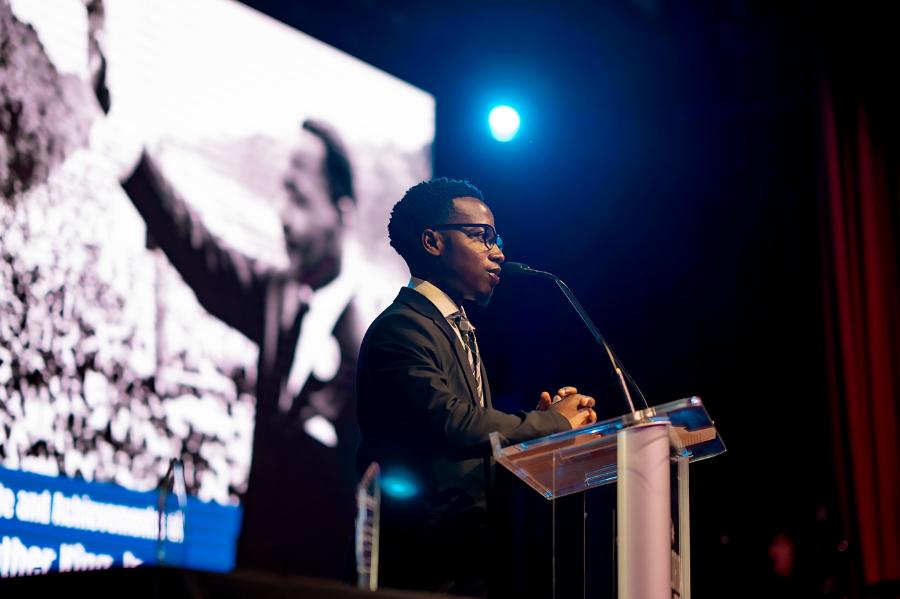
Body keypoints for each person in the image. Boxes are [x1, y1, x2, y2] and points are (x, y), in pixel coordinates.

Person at [121, 120, 366, 575]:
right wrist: (134, 163)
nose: (282, 215)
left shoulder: (377, 347)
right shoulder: (279, 296)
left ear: (343, 213)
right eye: (281, 194)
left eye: (299, 198)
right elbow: (203, 256)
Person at [356, 177, 598, 595]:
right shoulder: (400, 329)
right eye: (481, 237)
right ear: (433, 242)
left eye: (495, 238)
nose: (498, 252)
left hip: (471, 560)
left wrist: (539, 429)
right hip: (424, 567)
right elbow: (452, 422)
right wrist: (550, 423)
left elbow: (474, 446)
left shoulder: (456, 330)